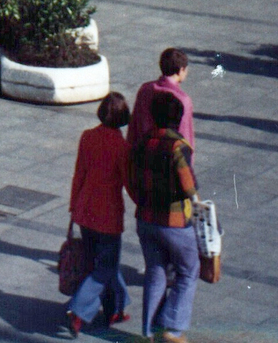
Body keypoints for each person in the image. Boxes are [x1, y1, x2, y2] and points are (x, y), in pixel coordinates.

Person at [128, 90, 200, 341]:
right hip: (175, 222)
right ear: (178, 119)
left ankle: (149, 331)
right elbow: (188, 184)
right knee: (188, 271)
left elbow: (132, 179)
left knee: (155, 272)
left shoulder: (142, 142)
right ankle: (171, 328)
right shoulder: (178, 146)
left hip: (145, 218)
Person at [64, 90, 133, 336]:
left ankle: (117, 308)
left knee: (102, 263)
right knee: (106, 266)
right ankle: (79, 310)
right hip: (108, 217)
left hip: (85, 211)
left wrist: (74, 207)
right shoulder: (122, 147)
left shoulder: (87, 137)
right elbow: (128, 182)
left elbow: (79, 174)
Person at [127, 48, 195, 159]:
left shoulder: (145, 89)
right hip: (169, 160)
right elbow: (185, 136)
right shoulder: (183, 100)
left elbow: (134, 128)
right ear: (181, 70)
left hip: (143, 156)